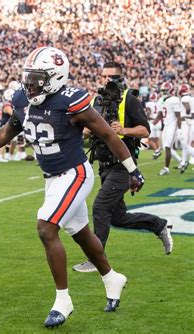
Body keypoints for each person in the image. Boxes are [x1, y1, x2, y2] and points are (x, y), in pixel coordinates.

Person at [0, 47, 144, 328]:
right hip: (52, 178)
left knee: (46, 227)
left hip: (75, 174)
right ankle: (111, 277)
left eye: (38, 78)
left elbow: (106, 133)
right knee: (80, 233)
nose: (30, 84)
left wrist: (133, 170)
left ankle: (63, 301)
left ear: (56, 78)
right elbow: (10, 130)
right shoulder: (22, 98)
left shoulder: (72, 101)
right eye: (29, 77)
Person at [72, 62, 173, 274]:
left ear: (121, 77)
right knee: (118, 217)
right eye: (104, 76)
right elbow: (87, 128)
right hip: (105, 164)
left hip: (123, 166)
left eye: (112, 76)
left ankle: (95, 260)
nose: (107, 80)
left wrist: (124, 129)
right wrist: (87, 132)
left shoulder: (130, 100)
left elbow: (145, 131)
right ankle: (159, 225)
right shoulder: (95, 100)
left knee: (100, 206)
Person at [156, 82, 184, 175]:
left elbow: (178, 116)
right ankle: (181, 161)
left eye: (165, 90)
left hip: (173, 126)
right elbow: (160, 115)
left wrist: (179, 129)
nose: (163, 92)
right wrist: (152, 124)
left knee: (167, 147)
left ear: (170, 90)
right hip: (166, 126)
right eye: (163, 90)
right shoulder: (162, 100)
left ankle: (166, 168)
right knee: (166, 147)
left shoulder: (174, 99)